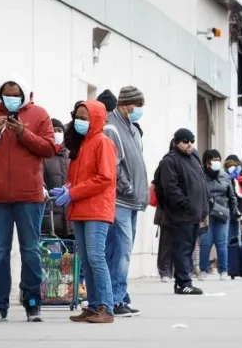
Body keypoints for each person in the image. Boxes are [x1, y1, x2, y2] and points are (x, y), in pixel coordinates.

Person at [0, 75, 55, 323]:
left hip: (29, 196)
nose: (11, 98)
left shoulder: (39, 115)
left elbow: (49, 148)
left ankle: (32, 302)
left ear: (25, 95)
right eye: (7, 94)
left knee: (30, 251)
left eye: (16, 94)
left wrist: (23, 134)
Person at [49, 100, 116, 323]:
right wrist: (67, 188)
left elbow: (104, 178)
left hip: (96, 209)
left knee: (96, 257)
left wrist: (73, 192)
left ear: (96, 118)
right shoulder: (80, 144)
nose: (80, 121)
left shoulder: (102, 143)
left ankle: (106, 307)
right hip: (80, 208)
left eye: (85, 117)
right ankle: (94, 305)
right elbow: (77, 177)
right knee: (86, 260)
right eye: (78, 116)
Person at [102, 86, 148, 316]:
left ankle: (117, 296)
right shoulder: (112, 127)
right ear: (126, 104)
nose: (140, 110)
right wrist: (128, 187)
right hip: (121, 200)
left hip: (132, 202)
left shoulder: (131, 128)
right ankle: (115, 299)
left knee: (120, 251)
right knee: (121, 252)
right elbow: (115, 164)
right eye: (137, 105)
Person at [154, 128, 208, 295]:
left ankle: (181, 282)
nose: (189, 144)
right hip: (180, 214)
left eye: (191, 140)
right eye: (185, 141)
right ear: (177, 142)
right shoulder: (170, 161)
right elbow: (169, 187)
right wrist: (184, 204)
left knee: (189, 248)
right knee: (182, 249)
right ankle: (184, 283)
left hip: (194, 214)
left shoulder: (193, 158)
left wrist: (204, 208)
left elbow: (201, 184)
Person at [198, 149, 237, 280]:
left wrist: (234, 210)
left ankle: (224, 271)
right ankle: (203, 269)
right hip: (206, 213)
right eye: (213, 160)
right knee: (206, 242)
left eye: (218, 160)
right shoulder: (200, 175)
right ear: (206, 163)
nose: (216, 162)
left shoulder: (224, 176)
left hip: (222, 212)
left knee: (222, 242)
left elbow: (232, 196)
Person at [42, 118, 70, 237]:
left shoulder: (71, 154)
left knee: (73, 254)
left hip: (71, 219)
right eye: (53, 130)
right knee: (51, 255)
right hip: (50, 216)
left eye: (59, 130)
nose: (56, 133)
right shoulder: (43, 156)